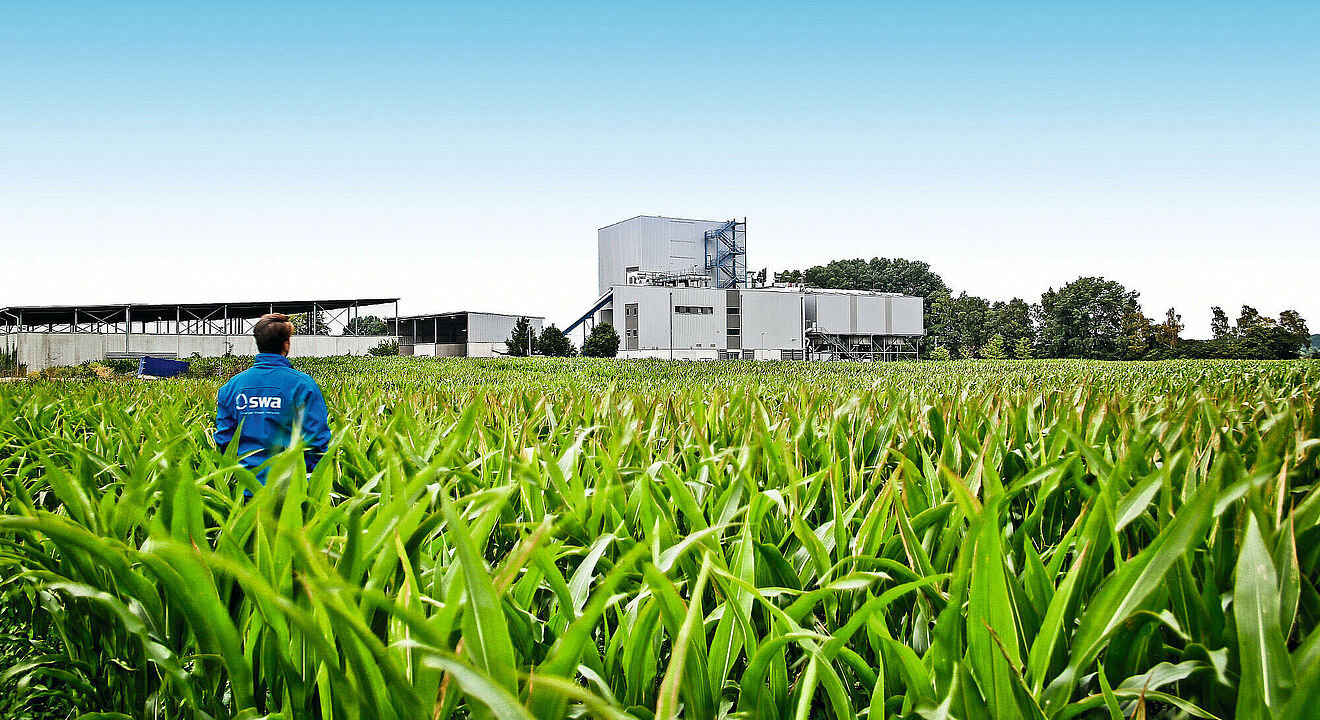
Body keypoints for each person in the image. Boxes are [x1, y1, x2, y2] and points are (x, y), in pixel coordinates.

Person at [214, 313, 331, 484]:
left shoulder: (231, 387)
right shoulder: (303, 385)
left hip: (245, 488)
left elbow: (225, 441)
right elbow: (317, 440)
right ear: (286, 344)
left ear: (259, 343)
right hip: (291, 489)